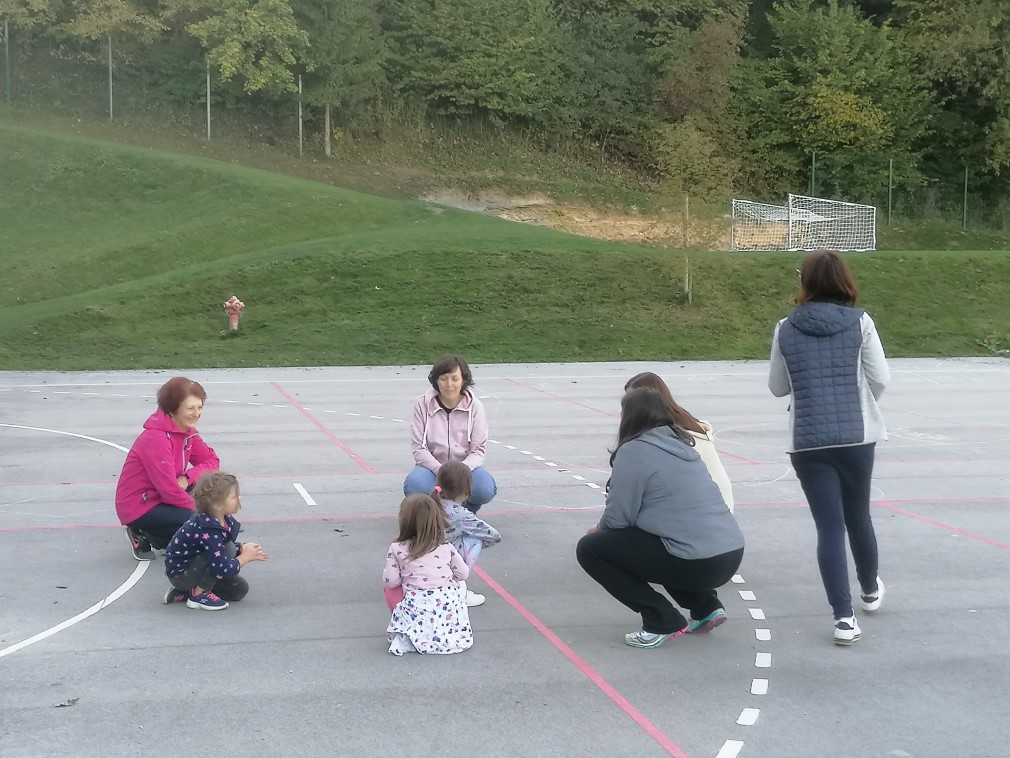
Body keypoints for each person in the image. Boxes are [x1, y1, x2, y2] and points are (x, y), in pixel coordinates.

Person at [768, 249, 890, 646]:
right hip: (856, 437)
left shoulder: (785, 327)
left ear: (806, 282)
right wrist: (860, 400)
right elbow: (880, 378)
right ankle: (870, 590)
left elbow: (778, 387)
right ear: (843, 280)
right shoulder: (862, 323)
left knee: (829, 528)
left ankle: (843, 619)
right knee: (859, 515)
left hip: (807, 441)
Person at [576, 388, 745, 649]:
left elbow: (618, 519)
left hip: (695, 562)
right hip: (730, 554)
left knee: (590, 550)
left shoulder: (634, 450)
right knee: (661, 542)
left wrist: (596, 531)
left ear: (631, 417)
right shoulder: (683, 445)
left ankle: (661, 619)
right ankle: (705, 606)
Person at [115, 377, 220, 560]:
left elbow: (212, 461)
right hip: (140, 504)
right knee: (197, 521)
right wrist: (207, 515)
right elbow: (169, 491)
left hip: (164, 495)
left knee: (212, 487)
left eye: (200, 407)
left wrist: (188, 477)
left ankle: (162, 538)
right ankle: (141, 531)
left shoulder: (188, 433)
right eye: (190, 408)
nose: (197, 413)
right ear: (172, 410)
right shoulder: (157, 439)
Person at [625, 372, 735, 513]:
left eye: (632, 401)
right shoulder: (681, 419)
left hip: (708, 508)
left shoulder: (672, 433)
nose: (628, 408)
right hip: (712, 505)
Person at [383, 494, 473, 656]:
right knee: (459, 584)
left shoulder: (397, 547)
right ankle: (452, 624)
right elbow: (463, 573)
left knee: (389, 589)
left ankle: (404, 628)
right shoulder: (445, 545)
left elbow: (391, 582)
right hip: (446, 606)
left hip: (417, 604)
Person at [404, 355, 496, 512]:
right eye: (443, 379)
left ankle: (465, 513)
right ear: (436, 381)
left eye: (455, 379)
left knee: (484, 489)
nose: (449, 385)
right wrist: (441, 471)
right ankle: (433, 516)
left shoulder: (476, 407)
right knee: (415, 486)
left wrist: (460, 472)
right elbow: (419, 448)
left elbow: (478, 450)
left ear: (463, 380)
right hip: (432, 469)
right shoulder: (421, 405)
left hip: (465, 469)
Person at [163, 471, 268, 610]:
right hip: (181, 575)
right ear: (218, 505)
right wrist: (245, 557)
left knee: (239, 590)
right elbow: (222, 567)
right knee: (228, 549)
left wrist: (241, 548)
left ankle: (185, 593)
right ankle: (198, 595)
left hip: (196, 566)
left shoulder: (222, 519)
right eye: (234, 496)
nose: (239, 498)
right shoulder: (208, 528)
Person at [432, 461, 502, 608]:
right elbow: (494, 536)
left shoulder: (427, 503)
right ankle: (458, 588)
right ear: (466, 492)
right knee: (474, 540)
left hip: (419, 563)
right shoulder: (461, 515)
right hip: (444, 561)